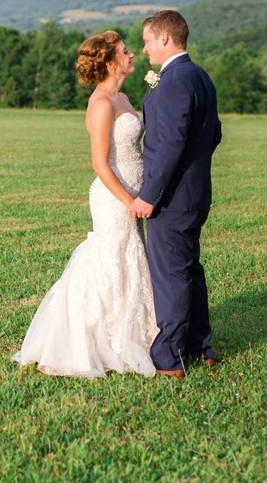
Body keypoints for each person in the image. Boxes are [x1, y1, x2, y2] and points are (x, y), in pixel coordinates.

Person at [12, 31, 158, 378]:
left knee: (130, 258)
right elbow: (99, 163)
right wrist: (130, 200)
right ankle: (97, 339)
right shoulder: (101, 104)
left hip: (134, 191)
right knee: (113, 258)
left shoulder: (122, 96)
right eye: (125, 51)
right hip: (113, 197)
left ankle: (134, 332)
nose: (132, 54)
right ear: (110, 62)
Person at [130, 10, 222, 378]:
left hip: (173, 198)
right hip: (197, 192)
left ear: (166, 39)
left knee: (172, 274)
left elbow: (168, 145)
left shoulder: (171, 82)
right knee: (189, 269)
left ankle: (169, 357)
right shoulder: (199, 76)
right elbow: (213, 133)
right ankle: (203, 346)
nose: (144, 47)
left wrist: (150, 194)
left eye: (148, 40)